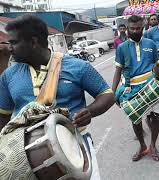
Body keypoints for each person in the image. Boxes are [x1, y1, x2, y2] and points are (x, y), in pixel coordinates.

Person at [0, 15, 115, 180]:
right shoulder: (8, 76)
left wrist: (89, 111)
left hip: (75, 147)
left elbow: (107, 95)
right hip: (25, 157)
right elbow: (3, 117)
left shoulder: (78, 67)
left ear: (33, 42)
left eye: (14, 42)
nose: (9, 48)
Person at [112, 15, 159, 162]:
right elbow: (118, 71)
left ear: (143, 28)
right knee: (135, 118)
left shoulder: (150, 43)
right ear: (127, 29)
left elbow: (157, 63)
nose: (135, 31)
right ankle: (142, 146)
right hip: (131, 88)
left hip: (150, 85)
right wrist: (112, 92)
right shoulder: (122, 48)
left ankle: (153, 146)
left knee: (155, 117)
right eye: (132, 28)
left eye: (138, 28)